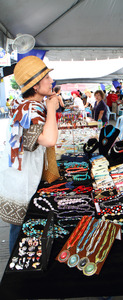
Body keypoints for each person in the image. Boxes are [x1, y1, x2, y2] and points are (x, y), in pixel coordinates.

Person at [0, 55, 59, 253]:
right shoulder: (30, 109)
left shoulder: (26, 104)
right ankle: (14, 274)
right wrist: (51, 108)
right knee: (19, 233)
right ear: (35, 86)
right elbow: (50, 139)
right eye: (47, 78)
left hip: (20, 176)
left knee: (21, 229)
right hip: (21, 181)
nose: (51, 81)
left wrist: (49, 105)